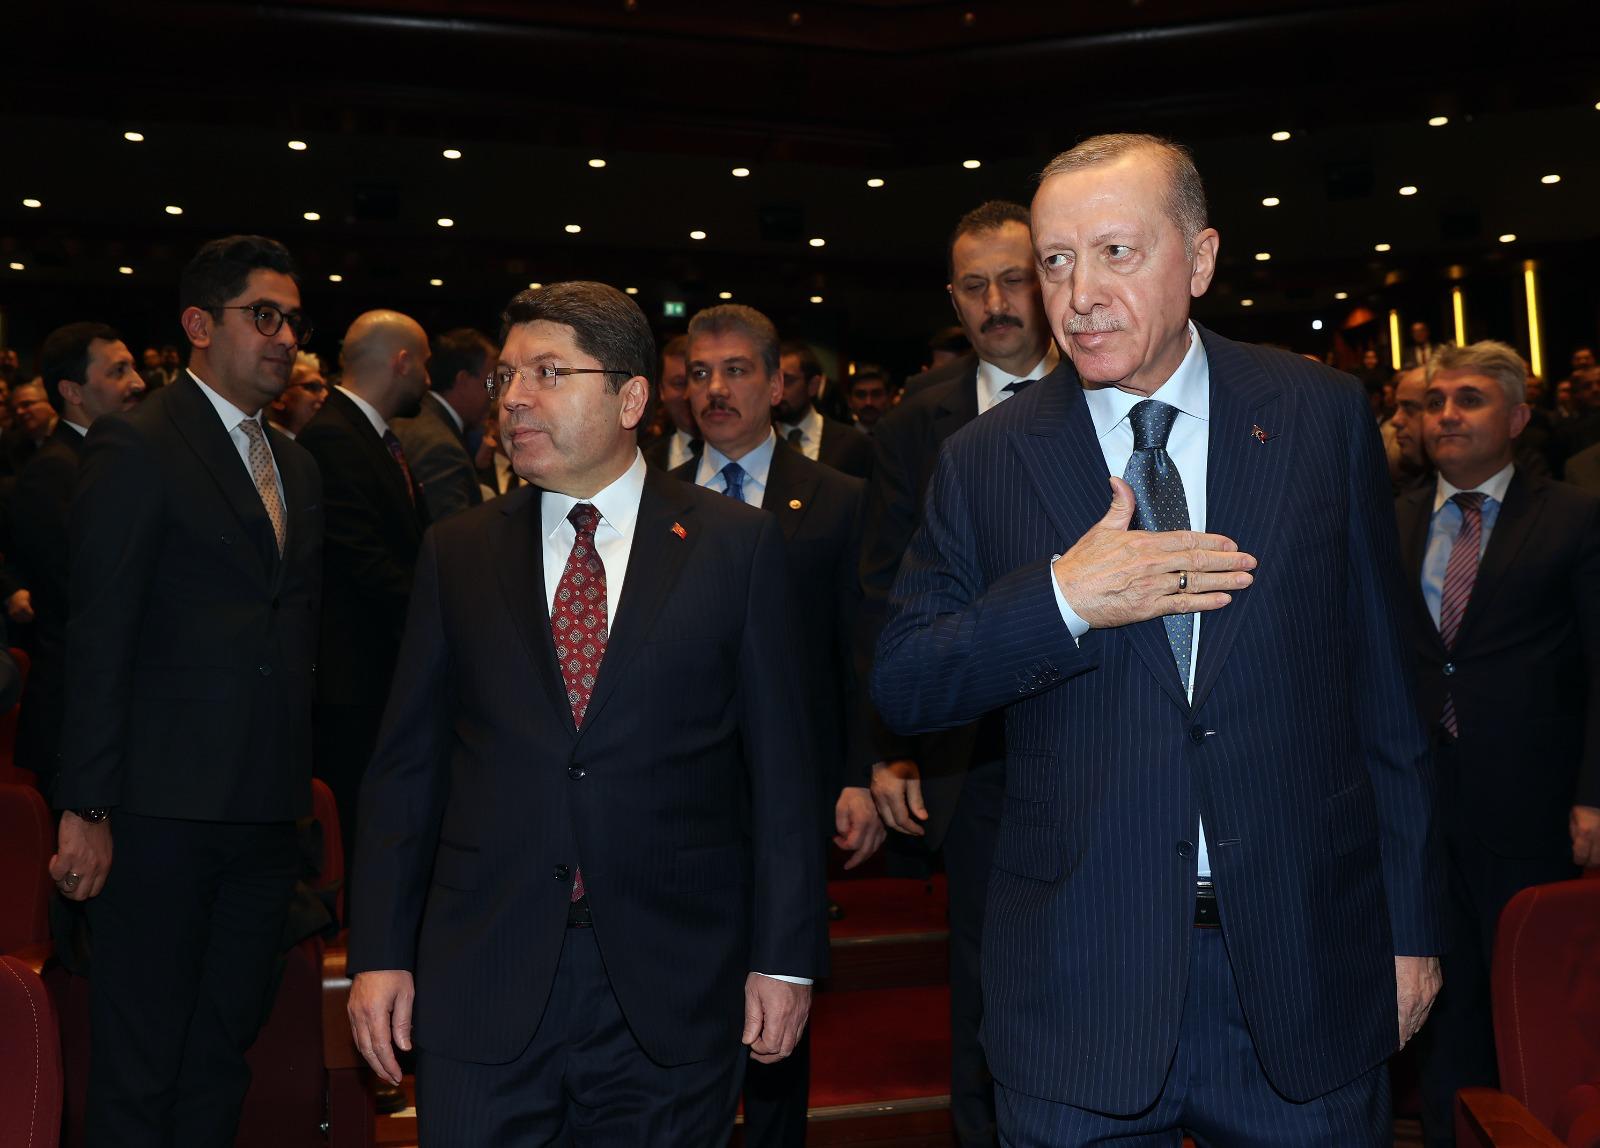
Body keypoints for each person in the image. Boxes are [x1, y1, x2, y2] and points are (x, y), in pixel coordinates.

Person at [872, 133, 1443, 1146]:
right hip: (1081, 985)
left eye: (1116, 253)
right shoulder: (983, 460)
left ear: (1201, 259)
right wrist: (1063, 597)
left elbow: (1388, 696)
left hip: (1302, 969)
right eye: (1056, 261)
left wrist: (1409, 929)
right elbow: (907, 679)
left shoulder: (1317, 415)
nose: (1079, 294)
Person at [346, 281, 826, 1145]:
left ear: (631, 398)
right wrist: (379, 953)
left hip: (673, 979)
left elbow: (784, 775)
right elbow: (406, 769)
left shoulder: (735, 546)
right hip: (484, 971)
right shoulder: (458, 551)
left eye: (549, 372)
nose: (514, 398)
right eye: (506, 377)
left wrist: (786, 960)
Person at [49, 234, 323, 1146]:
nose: (286, 337)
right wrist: (86, 805)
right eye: (264, 316)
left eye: (294, 320)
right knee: (141, 1062)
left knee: (220, 1056)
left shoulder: (297, 463)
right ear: (200, 325)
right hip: (157, 810)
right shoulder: (139, 442)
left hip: (264, 813)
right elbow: (99, 632)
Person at [858, 197, 1057, 1148]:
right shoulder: (914, 426)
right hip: (973, 754)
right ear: (953, 298)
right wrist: (890, 748)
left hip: (1101, 728)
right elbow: (881, 594)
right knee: (982, 979)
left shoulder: (1107, 390)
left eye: (1013, 279)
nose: (996, 303)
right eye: (975, 286)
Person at [674, 302, 881, 1146]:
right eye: (699, 373)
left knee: (777, 1003)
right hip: (677, 792)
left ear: (777, 384)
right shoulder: (650, 496)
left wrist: (861, 773)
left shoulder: (837, 497)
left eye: (735, 371)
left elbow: (859, 650)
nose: (715, 390)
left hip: (788, 791)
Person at [1394, 340, 1600, 1147]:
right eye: (1434, 402)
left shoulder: (1574, 516)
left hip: (1532, 803)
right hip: (1417, 806)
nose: (1446, 415)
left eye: (1469, 400)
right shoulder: (1391, 516)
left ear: (1516, 418)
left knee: (1529, 1000)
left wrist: (1594, 793)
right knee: (1436, 1004)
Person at [297, 310, 431, 884]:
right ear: (401, 361)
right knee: (358, 839)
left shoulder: (368, 435)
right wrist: (439, 617)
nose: (427, 377)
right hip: (353, 682)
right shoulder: (334, 436)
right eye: (424, 363)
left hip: (376, 672)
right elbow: (364, 561)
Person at [8, 322, 143, 797]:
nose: (138, 383)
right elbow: (82, 595)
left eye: (133, 368)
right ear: (72, 391)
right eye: (118, 371)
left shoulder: (113, 457)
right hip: (77, 715)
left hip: (113, 707)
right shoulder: (56, 470)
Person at [392, 327, 494, 522]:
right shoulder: (441, 447)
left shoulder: (412, 418)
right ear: (463, 380)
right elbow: (452, 535)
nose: (494, 395)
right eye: (489, 384)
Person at [771, 340, 874, 478]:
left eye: (787, 380)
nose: (777, 390)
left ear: (813, 386)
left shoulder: (853, 443)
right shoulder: (756, 440)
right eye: (772, 381)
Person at [641, 334, 699, 470]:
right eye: (679, 383)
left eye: (698, 379)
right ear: (661, 390)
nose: (688, 394)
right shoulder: (644, 462)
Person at [266, 350, 328, 438]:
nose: (325, 394)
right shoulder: (262, 442)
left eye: (325, 388)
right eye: (313, 386)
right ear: (278, 398)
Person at [844, 364, 893, 433]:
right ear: (849, 401)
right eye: (861, 395)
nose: (868, 402)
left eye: (876, 394)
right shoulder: (838, 438)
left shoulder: (903, 435)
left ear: (888, 398)